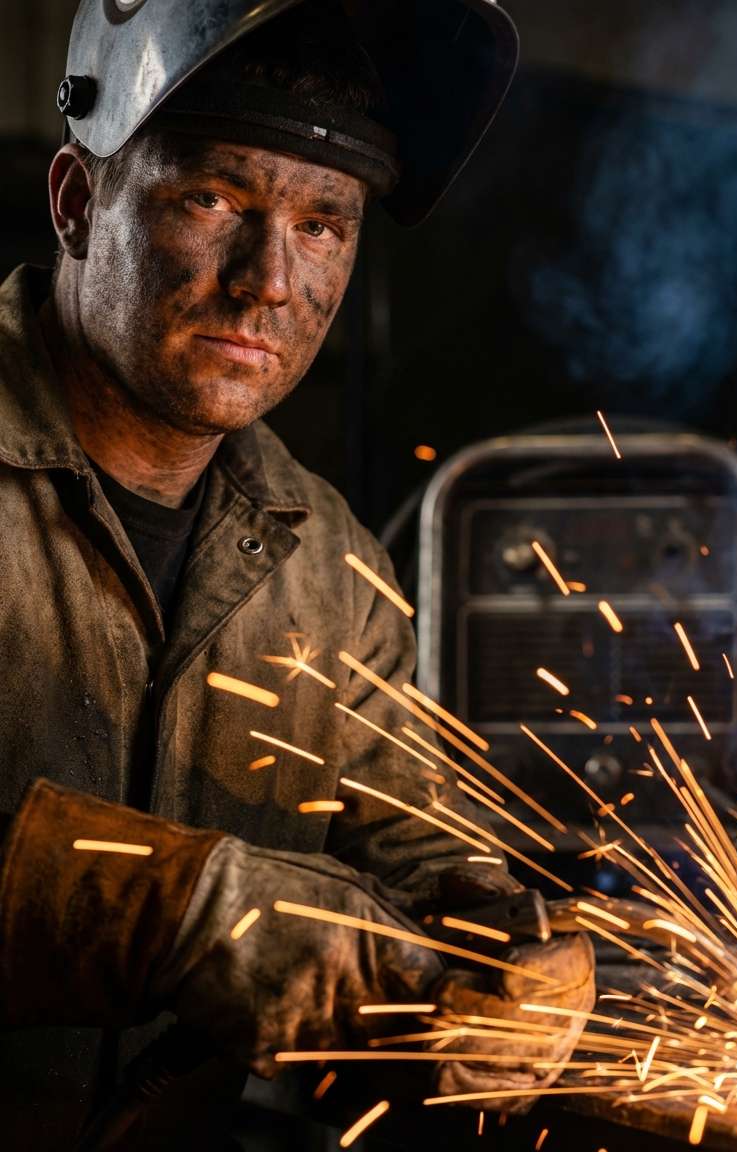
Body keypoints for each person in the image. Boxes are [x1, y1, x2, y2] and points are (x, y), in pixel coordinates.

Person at [0, 1, 595, 1147]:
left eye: (324, 223)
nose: (268, 280)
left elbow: (419, 850)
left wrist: (508, 947)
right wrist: (163, 911)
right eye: (212, 199)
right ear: (78, 202)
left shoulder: (321, 560)